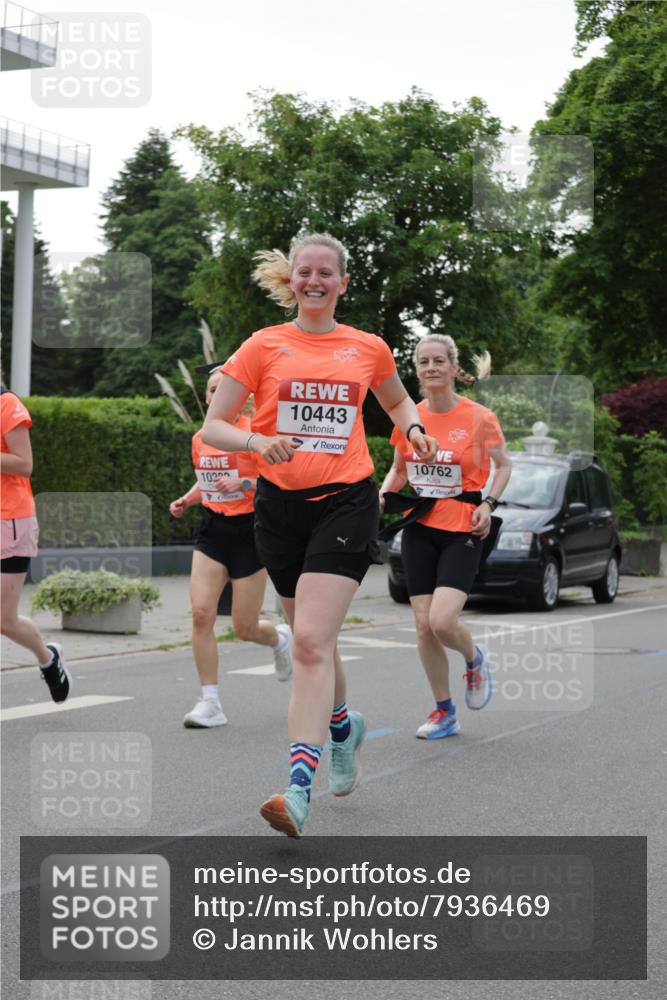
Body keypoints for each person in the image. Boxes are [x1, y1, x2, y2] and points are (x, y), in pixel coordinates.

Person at [202, 232, 438, 837]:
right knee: (318, 645)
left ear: (342, 283)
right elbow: (215, 425)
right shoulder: (262, 346)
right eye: (304, 271)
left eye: (325, 273)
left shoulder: (367, 347)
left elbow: (398, 402)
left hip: (346, 503)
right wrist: (256, 441)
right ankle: (341, 729)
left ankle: (297, 789)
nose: (313, 280)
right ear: (293, 280)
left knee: (307, 640)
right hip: (278, 510)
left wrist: (414, 432)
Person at [379, 334, 511, 739]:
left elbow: (503, 465)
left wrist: (487, 504)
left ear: (454, 368)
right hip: (421, 525)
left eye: (439, 361)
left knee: (441, 620)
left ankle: (474, 660)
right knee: (422, 627)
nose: (431, 368)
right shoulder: (409, 417)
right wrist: (381, 497)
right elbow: (400, 471)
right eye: (423, 362)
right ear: (416, 370)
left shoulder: (479, 417)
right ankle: (444, 711)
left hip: (464, 528)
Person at [169, 370, 293, 729]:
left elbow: (276, 482)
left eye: (223, 389)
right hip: (213, 529)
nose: (215, 394)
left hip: (250, 531)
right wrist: (189, 499)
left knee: (244, 627)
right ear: (208, 398)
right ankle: (210, 702)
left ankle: (278, 638)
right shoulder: (201, 437)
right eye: (211, 389)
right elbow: (206, 478)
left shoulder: (253, 435)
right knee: (201, 614)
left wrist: (244, 482)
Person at [0, 384, 71, 702]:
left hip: (10, 520)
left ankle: (48, 657)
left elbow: (24, 463)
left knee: (4, 620)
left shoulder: (6, 404)